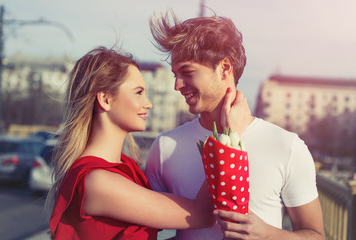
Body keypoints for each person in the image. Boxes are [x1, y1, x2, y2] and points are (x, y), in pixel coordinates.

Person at [145, 10, 325, 240]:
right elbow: (148, 232)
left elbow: (316, 235)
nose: (177, 85)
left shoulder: (286, 145)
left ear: (225, 68)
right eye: (175, 75)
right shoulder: (165, 147)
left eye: (187, 72)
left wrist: (268, 234)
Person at [45, 46, 250, 240]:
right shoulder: (96, 181)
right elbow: (201, 214)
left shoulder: (123, 170)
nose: (148, 103)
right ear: (105, 100)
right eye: (138, 92)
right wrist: (230, 135)